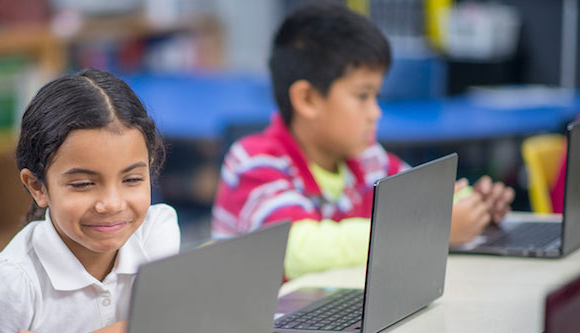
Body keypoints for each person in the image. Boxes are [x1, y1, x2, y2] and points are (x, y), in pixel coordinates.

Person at [211, 1, 514, 279]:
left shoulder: (368, 159)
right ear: (307, 99)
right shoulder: (253, 162)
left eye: (376, 96)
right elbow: (296, 248)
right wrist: (432, 230)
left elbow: (424, 200)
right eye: (362, 96)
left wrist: (473, 207)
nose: (375, 112)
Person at [0, 68, 180, 333]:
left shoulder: (156, 231)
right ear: (37, 187)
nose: (112, 203)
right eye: (84, 184)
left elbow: (164, 322)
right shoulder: (12, 281)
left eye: (131, 179)